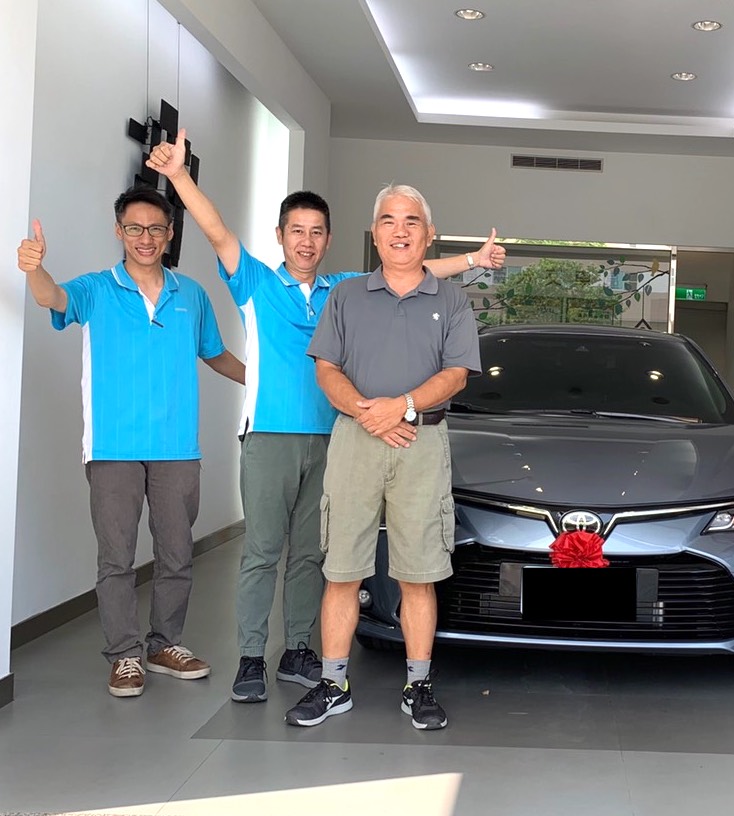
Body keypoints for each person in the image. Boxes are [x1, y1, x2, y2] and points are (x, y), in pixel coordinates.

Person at [145, 130, 504, 704]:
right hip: (273, 434)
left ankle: (298, 649)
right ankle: (251, 657)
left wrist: (473, 261)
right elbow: (216, 232)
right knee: (263, 551)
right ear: (280, 236)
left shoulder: (345, 289)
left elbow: (412, 265)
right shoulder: (256, 282)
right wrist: (180, 176)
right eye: (297, 231)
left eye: (316, 232)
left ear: (330, 240)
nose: (306, 242)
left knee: (316, 556)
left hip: (336, 438)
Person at [15, 187, 245, 698]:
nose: (146, 238)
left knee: (177, 554)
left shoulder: (191, 295)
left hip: (177, 448)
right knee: (116, 559)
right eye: (135, 228)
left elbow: (214, 354)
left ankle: (165, 645)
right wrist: (34, 269)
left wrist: (263, 383)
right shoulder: (97, 288)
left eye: (156, 228)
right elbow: (52, 298)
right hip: (113, 448)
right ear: (119, 231)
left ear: (170, 234)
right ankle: (124, 655)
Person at [285, 183, 480, 730]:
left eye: (411, 221)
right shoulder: (346, 297)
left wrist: (404, 407)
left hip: (422, 444)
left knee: (419, 573)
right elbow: (326, 368)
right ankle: (334, 683)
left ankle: (418, 685)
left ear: (429, 234)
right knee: (342, 569)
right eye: (389, 221)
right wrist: (369, 413)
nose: (400, 231)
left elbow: (457, 374)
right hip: (356, 440)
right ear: (374, 234)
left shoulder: (452, 300)